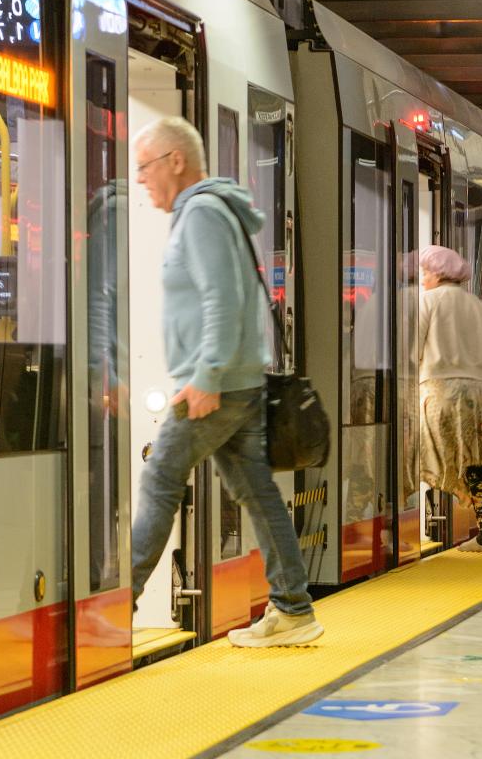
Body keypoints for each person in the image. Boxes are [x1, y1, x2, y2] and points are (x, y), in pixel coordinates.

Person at [130, 116, 322, 648]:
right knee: (257, 492)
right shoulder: (208, 212)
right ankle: (293, 609)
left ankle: (110, 609)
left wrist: (206, 375)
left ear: (176, 161)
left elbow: (222, 299)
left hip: (220, 384)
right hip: (232, 381)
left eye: (145, 166)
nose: (142, 178)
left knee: (160, 480)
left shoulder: (201, 215)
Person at [417, 244, 482, 553]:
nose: (423, 279)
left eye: (425, 273)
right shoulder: (481, 308)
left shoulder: (427, 303)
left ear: (438, 274)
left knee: (433, 458)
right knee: (477, 462)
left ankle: (395, 526)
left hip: (441, 394)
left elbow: (411, 349)